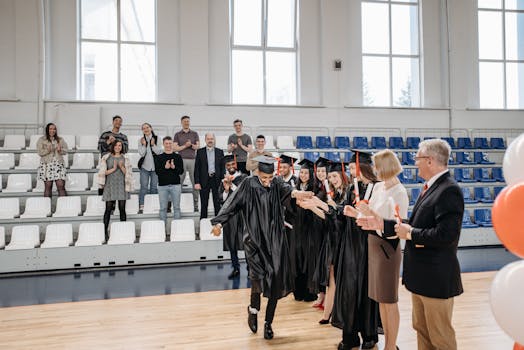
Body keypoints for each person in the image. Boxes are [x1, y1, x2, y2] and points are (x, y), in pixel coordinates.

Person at [357, 139, 464, 350]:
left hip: (436, 277)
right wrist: (381, 223)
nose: (415, 163)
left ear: (431, 161)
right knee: (422, 330)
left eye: (418, 158)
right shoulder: (431, 188)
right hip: (423, 277)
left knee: (440, 336)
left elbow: (446, 235)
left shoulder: (448, 190)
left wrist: (412, 233)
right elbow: (411, 224)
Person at [210, 156, 313, 340]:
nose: (267, 182)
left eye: (270, 178)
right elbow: (232, 204)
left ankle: (268, 323)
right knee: (257, 280)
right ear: (257, 173)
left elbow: (289, 191)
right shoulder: (248, 184)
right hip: (254, 241)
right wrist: (219, 224)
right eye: (264, 178)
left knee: (275, 282)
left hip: (275, 241)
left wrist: (298, 194)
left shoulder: (276, 183)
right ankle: (253, 309)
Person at [345, 150, 408, 350]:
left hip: (387, 248)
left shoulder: (399, 192)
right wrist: (355, 213)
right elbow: (369, 219)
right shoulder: (379, 187)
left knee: (389, 300)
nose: (373, 170)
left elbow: (395, 226)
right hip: (373, 245)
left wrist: (369, 213)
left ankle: (392, 345)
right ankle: (387, 343)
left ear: (385, 167)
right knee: (381, 300)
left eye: (376, 166)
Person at [331, 152, 379, 350]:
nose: (350, 172)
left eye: (353, 168)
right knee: (349, 290)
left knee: (368, 291)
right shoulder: (352, 188)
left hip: (369, 245)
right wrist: (328, 208)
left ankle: (369, 334)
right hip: (350, 246)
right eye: (350, 168)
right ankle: (350, 336)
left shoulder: (378, 189)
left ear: (365, 167)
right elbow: (341, 213)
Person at [292, 158, 319, 302]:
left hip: (309, 229)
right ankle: (298, 291)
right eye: (301, 172)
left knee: (308, 259)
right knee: (297, 258)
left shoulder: (314, 190)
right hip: (297, 230)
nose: (303, 175)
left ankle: (310, 292)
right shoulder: (295, 190)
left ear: (310, 175)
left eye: (306, 173)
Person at [218, 154, 248, 279]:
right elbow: (221, 200)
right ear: (226, 166)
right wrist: (225, 190)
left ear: (236, 164)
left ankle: (250, 269)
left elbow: (244, 195)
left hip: (242, 215)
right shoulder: (223, 181)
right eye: (228, 165)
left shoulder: (244, 178)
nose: (231, 167)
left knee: (247, 243)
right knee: (232, 244)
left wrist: (232, 186)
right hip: (230, 216)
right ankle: (235, 268)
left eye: (233, 164)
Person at [98, 140, 133, 240]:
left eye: (120, 145)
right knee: (108, 209)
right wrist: (113, 169)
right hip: (110, 185)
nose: (118, 147)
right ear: (113, 146)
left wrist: (121, 167)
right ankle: (104, 232)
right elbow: (102, 172)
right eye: (116, 145)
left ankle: (124, 231)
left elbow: (128, 174)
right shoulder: (106, 157)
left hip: (122, 185)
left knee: (122, 209)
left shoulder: (125, 158)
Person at [155, 136, 184, 227]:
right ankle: (162, 230)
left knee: (177, 208)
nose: (168, 145)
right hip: (162, 186)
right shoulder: (159, 157)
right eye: (166, 143)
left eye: (170, 143)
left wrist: (174, 167)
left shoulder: (178, 157)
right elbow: (157, 172)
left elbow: (181, 171)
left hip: (176, 185)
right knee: (163, 208)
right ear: (163, 144)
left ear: (172, 144)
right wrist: (165, 168)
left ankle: (177, 229)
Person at [194, 133, 224, 219]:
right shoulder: (200, 152)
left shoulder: (220, 152)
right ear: (205, 140)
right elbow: (197, 168)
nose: (210, 140)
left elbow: (222, 168)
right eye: (208, 139)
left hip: (216, 180)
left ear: (214, 140)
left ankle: (218, 224)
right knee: (204, 204)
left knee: (217, 203)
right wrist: (197, 182)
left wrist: (223, 180)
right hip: (204, 180)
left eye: (212, 139)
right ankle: (202, 223)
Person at [173, 115, 200, 212]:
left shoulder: (194, 133)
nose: (186, 123)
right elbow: (175, 148)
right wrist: (185, 145)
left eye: (188, 121)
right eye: (185, 121)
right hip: (181, 160)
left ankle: (196, 204)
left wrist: (191, 145)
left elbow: (197, 146)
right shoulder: (177, 134)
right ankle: (177, 204)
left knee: (195, 183)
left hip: (193, 160)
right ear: (181, 122)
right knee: (179, 182)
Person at [98, 115, 129, 195]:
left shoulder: (124, 137)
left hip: (119, 160)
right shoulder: (105, 135)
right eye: (116, 120)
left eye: (120, 121)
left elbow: (125, 150)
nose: (118, 122)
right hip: (107, 160)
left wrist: (116, 141)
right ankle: (104, 199)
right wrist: (108, 142)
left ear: (121, 123)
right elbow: (100, 148)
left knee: (117, 181)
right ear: (113, 122)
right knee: (105, 181)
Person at [36, 123, 68, 198]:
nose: (52, 130)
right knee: (48, 187)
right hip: (47, 165)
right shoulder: (42, 140)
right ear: (47, 130)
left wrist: (60, 150)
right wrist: (48, 150)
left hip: (58, 164)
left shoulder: (60, 139)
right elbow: (40, 152)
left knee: (61, 186)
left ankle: (63, 207)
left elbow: (66, 150)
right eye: (51, 129)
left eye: (54, 129)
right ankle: (47, 208)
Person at [137, 123, 162, 212]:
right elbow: (142, 153)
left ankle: (152, 206)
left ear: (151, 128)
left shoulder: (157, 138)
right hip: (145, 167)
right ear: (142, 130)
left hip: (155, 168)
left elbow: (159, 152)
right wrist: (144, 145)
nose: (146, 129)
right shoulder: (141, 140)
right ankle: (142, 207)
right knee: (143, 187)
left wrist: (152, 145)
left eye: (147, 127)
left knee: (154, 187)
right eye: (143, 128)